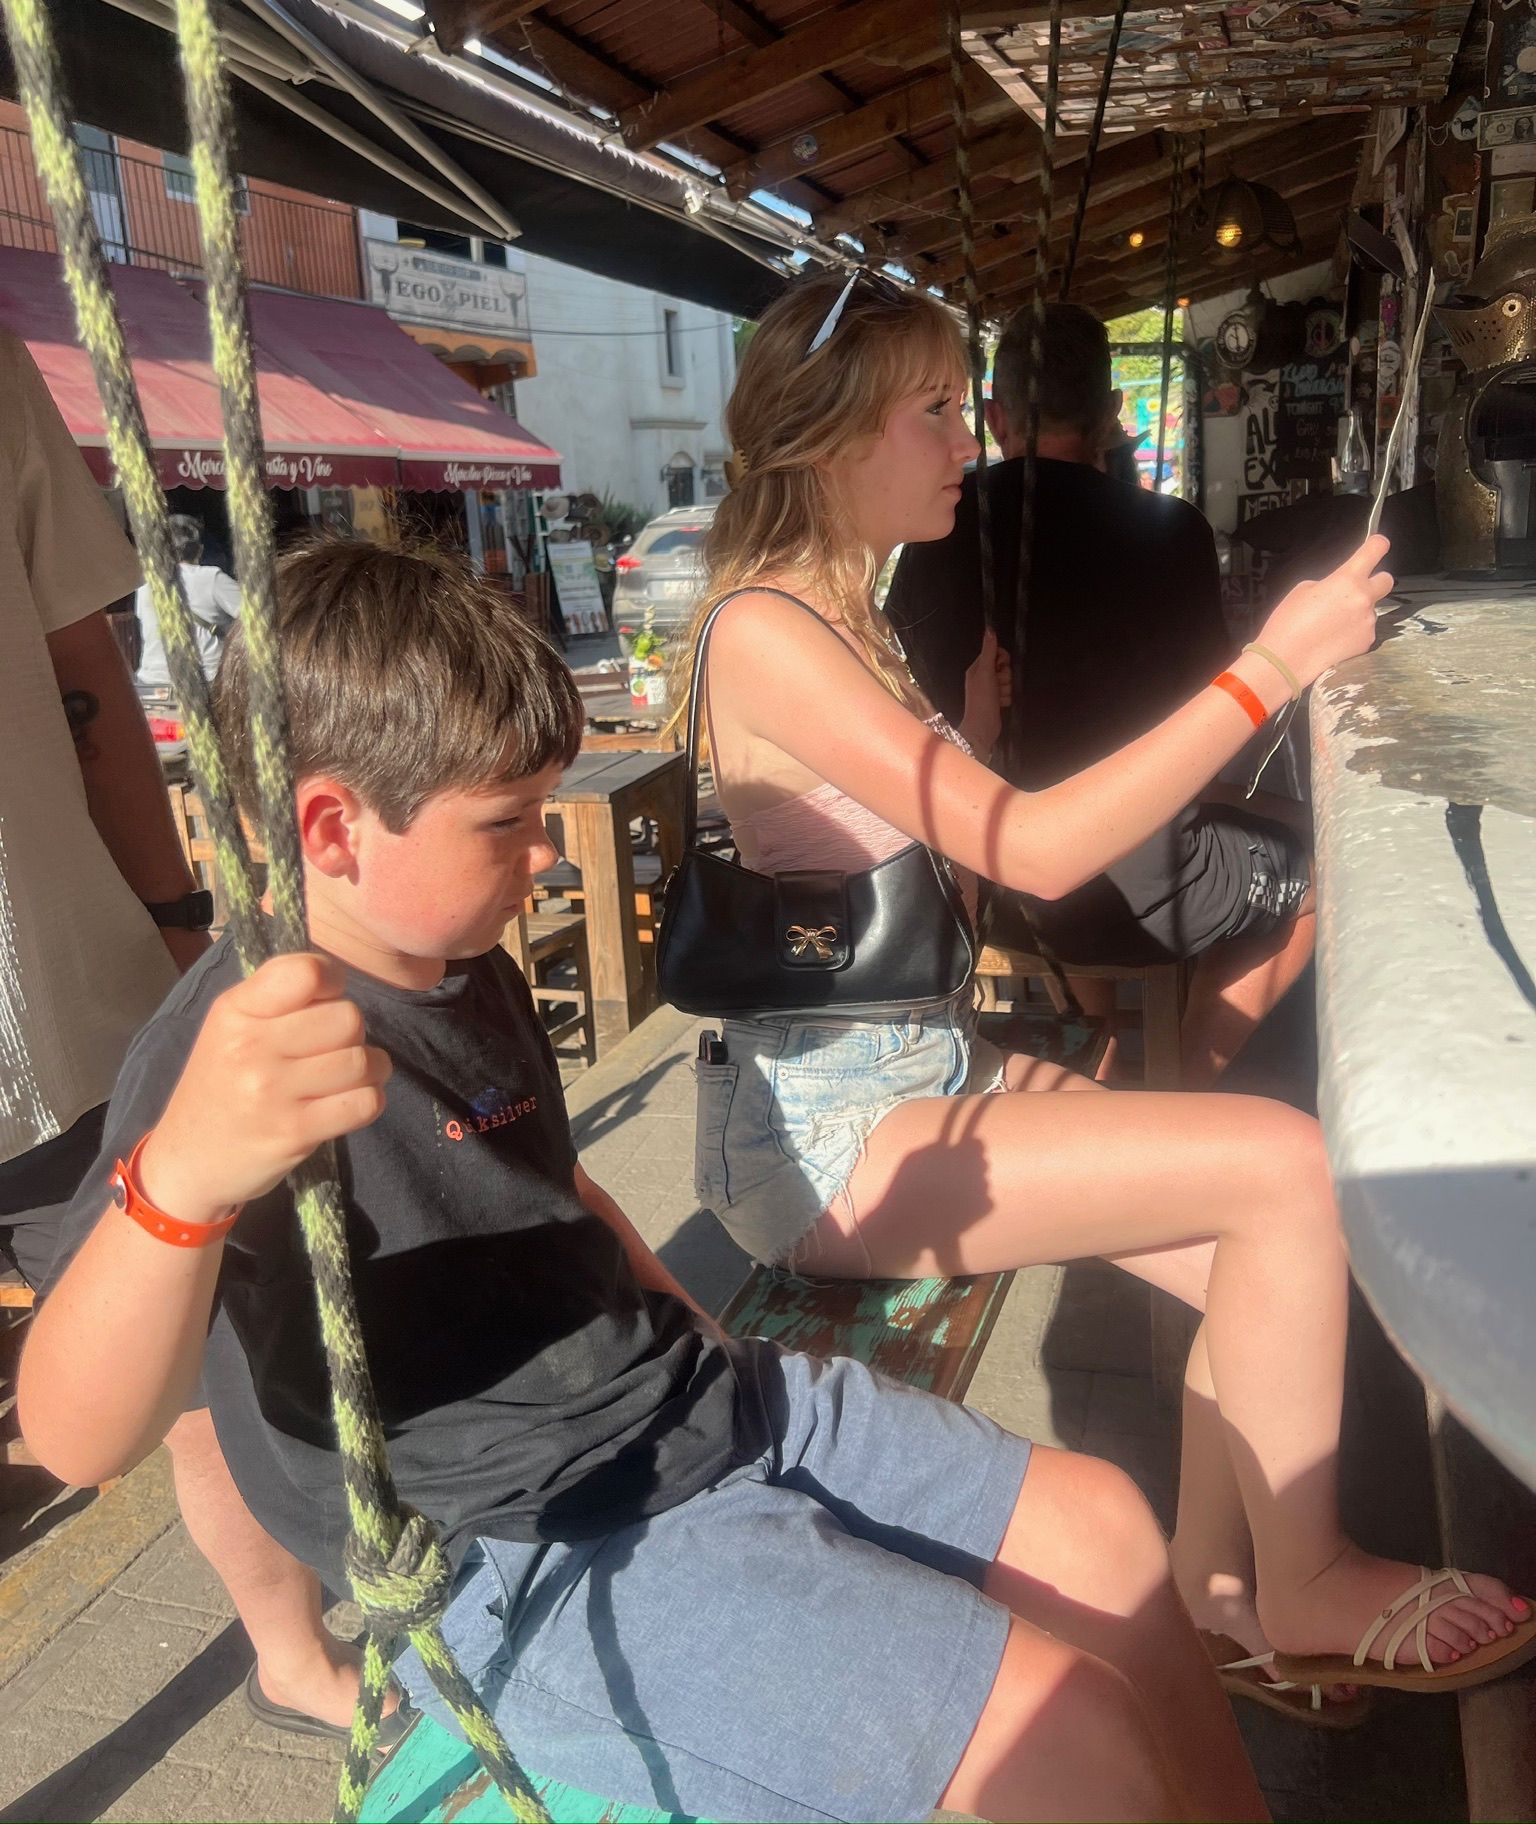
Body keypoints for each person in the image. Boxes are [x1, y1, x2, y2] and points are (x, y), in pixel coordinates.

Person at [24, 539, 1270, 1824]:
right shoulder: (226, 1053)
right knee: (1073, 1745)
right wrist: (180, 1180)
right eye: (510, 824)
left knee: (1115, 1536)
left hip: (693, 1404)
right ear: (330, 829)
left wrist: (699, 1325)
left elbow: (562, 1195)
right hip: (537, 1544)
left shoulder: (461, 957)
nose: (550, 863)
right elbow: (75, 1431)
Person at [673, 274, 1536, 1710]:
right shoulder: (771, 628)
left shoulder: (844, 610)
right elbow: (1033, 844)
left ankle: (1216, 1596)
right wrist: (1272, 667)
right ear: (831, 438)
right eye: (937, 412)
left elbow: (936, 823)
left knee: (1255, 1251)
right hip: (822, 1136)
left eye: (969, 407)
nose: (969, 441)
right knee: (1284, 1169)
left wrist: (981, 731)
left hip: (915, 1080)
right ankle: (1306, 1582)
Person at [0, 332, 399, 1749]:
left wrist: (181, 924)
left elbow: (78, 665)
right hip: (56, 994)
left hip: (46, 1004)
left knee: (191, 1357)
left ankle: (284, 1652)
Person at [886, 303, 1314, 1085]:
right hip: (1134, 889)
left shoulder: (936, 535)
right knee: (1327, 864)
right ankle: (1182, 1089)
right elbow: (1211, 728)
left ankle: (1110, 1040)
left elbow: (915, 705)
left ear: (995, 416)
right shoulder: (1173, 532)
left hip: (976, 883)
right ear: (1113, 417)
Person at [136, 512, 241, 690]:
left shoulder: (145, 586)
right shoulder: (211, 578)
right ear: (199, 549)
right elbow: (255, 618)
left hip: (151, 683)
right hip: (204, 684)